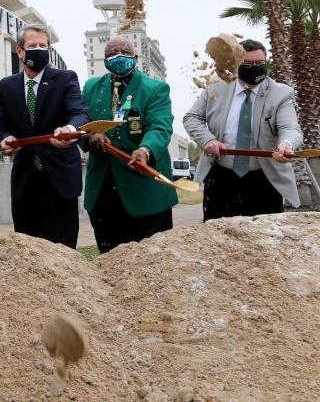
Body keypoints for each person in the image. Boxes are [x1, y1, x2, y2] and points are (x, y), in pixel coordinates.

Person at [183, 38, 303, 219]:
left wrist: (286, 144)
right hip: (221, 178)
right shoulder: (216, 87)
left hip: (263, 180)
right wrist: (208, 140)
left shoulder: (281, 93)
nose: (254, 67)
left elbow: (290, 128)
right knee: (218, 236)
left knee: (264, 238)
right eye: (248, 63)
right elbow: (191, 118)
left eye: (259, 63)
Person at [0, 23, 89, 248]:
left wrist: (69, 130)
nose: (38, 49)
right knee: (28, 253)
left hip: (59, 181)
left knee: (63, 252)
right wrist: (4, 140)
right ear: (20, 51)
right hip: (25, 183)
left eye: (43, 45)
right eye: (32, 45)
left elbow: (80, 113)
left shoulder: (66, 79)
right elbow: (2, 127)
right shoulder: (7, 86)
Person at [81, 37, 176, 253]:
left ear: (134, 57)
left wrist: (145, 149)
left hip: (146, 194)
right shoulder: (91, 88)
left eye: (125, 51)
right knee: (110, 264)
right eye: (113, 52)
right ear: (104, 59)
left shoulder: (155, 89)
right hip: (103, 194)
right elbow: (80, 122)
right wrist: (90, 136)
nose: (119, 55)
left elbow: (160, 127)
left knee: (152, 265)